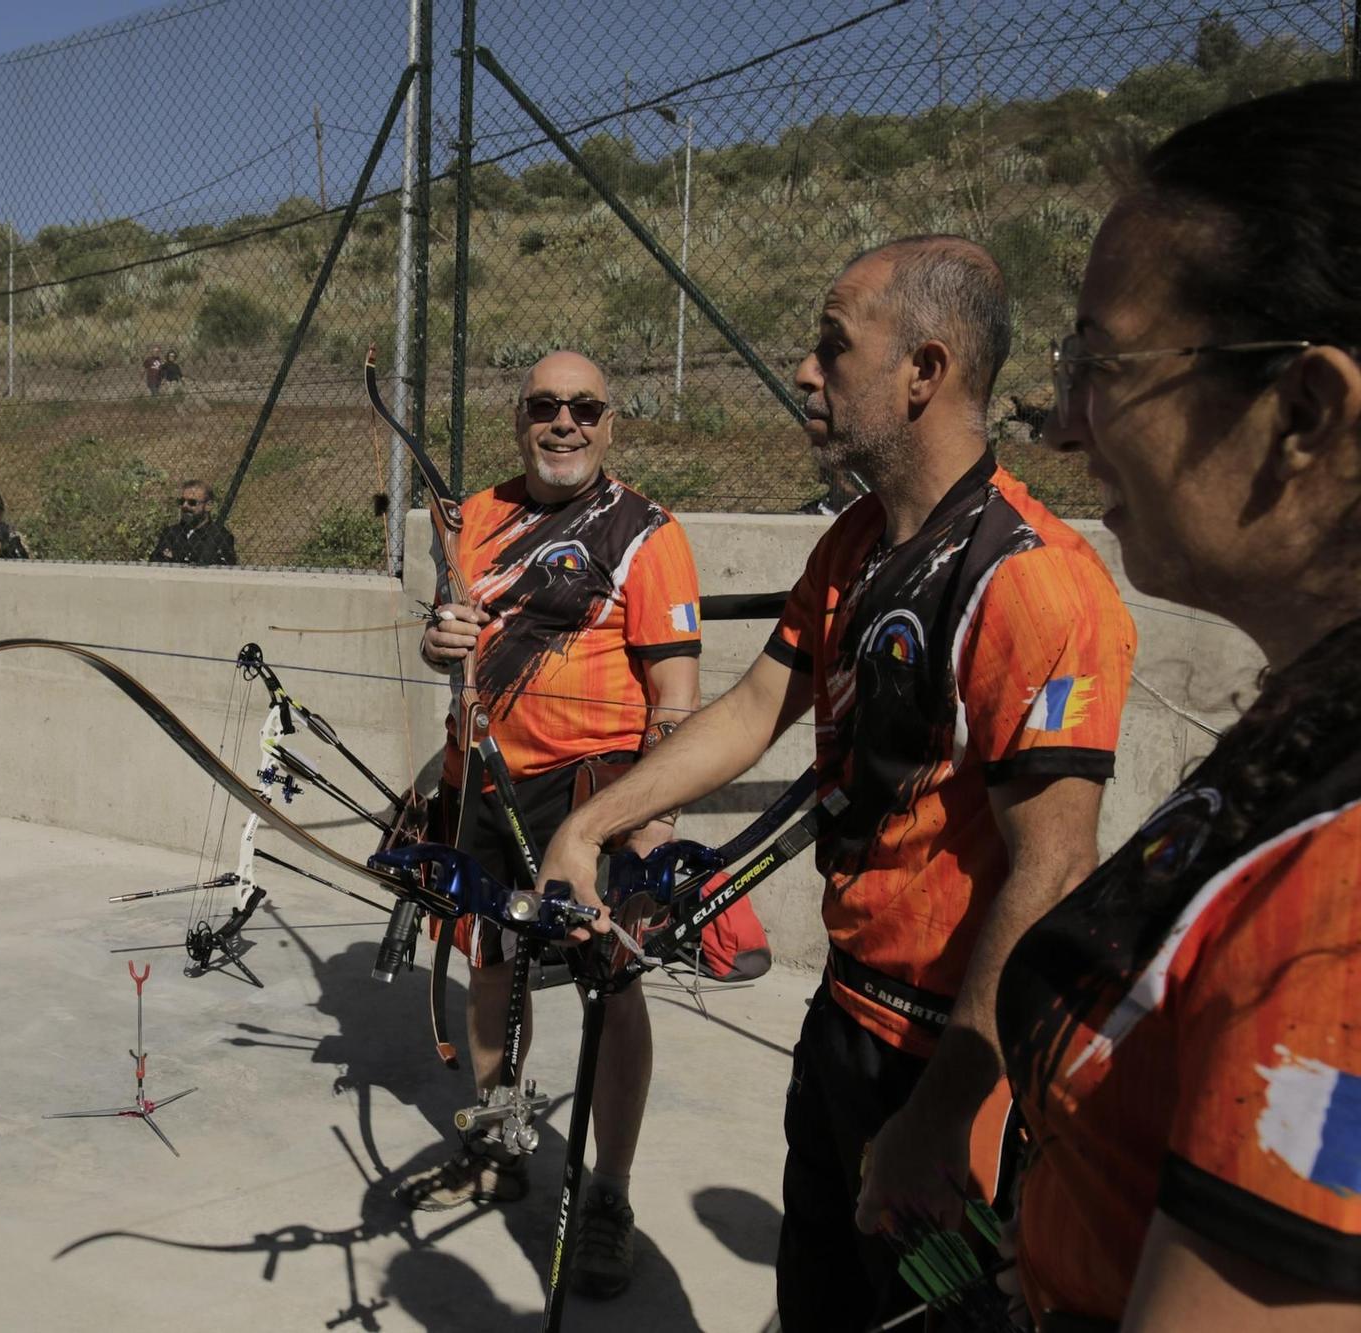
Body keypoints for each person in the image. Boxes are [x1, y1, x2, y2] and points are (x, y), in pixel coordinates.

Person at [537, 238, 1137, 1330]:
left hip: (952, 1053)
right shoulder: (855, 545)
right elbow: (752, 709)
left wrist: (946, 1101)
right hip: (843, 1019)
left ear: (924, 370)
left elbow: (1053, 864)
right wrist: (592, 826)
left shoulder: (1034, 582)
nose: (804, 372)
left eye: (831, 345)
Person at [996, 82, 1361, 1330]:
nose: (1063, 423)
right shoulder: (1311, 722)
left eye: (1100, 365)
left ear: (1305, 413)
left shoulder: (1345, 909)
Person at [396, 351, 706, 1300]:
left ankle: (606, 1195)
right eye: (544, 406)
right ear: (519, 417)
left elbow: (678, 704)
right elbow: (448, 630)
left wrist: (652, 817)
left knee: (610, 988)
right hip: (488, 779)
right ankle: (497, 1135)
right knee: (490, 959)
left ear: (611, 422)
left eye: (584, 407)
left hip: (596, 796)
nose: (563, 422)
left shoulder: (650, 534)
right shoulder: (477, 519)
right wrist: (437, 638)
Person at [148, 480, 238, 566]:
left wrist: (175, 556)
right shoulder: (171, 532)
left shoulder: (221, 536)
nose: (184, 506)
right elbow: (156, 561)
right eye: (182, 501)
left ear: (208, 506)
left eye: (192, 502)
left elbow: (224, 566)